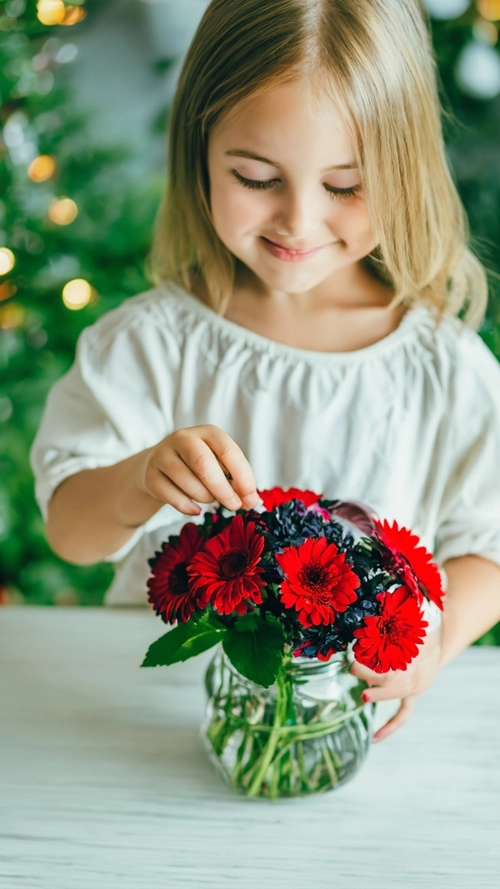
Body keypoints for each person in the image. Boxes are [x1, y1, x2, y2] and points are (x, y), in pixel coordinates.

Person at [30, 0, 500, 745]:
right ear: (200, 151)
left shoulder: (441, 366)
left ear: (405, 171)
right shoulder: (154, 344)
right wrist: (141, 478)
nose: (298, 223)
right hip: (146, 729)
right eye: (255, 176)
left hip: (337, 733)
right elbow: (70, 531)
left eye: (345, 186)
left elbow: (489, 544)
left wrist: (434, 640)